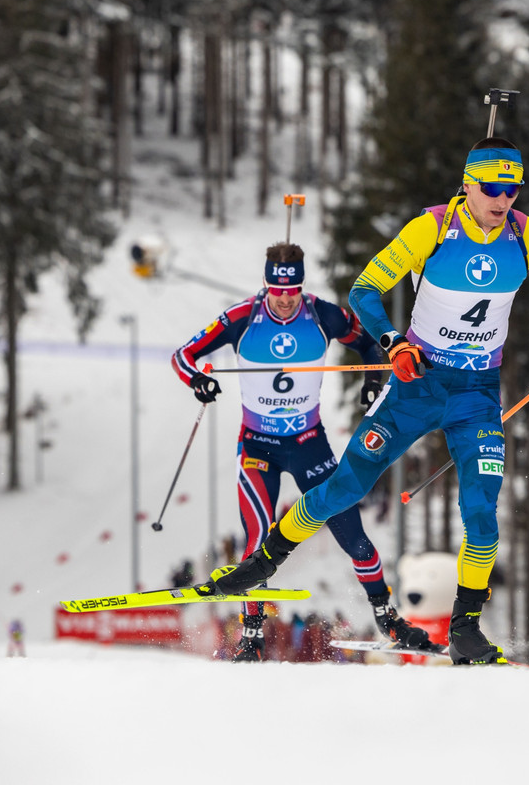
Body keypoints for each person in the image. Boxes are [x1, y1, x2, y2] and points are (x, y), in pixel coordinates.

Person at [198, 137, 529, 665]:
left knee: (482, 512)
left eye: (511, 190)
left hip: (477, 393)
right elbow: (365, 290)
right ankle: (263, 563)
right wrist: (392, 343)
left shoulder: (527, 234)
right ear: (468, 183)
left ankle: (466, 626)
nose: (502, 199)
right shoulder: (433, 228)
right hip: (416, 384)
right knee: (344, 488)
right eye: (491, 187)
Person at [172, 242, 435, 662]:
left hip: (309, 444)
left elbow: (367, 343)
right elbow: (184, 356)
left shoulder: (322, 314)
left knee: (354, 535)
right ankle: (252, 636)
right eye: (277, 290)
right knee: (257, 540)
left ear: (301, 285)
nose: (285, 299)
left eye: (292, 289)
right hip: (258, 447)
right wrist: (198, 381)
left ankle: (387, 617)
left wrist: (371, 380)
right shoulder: (242, 318)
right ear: (265, 285)